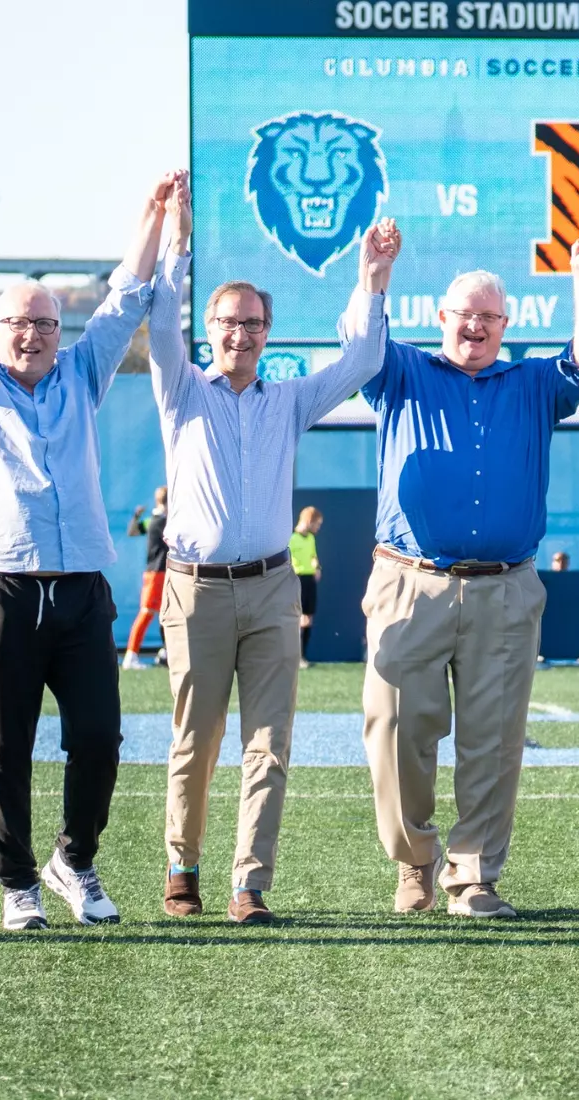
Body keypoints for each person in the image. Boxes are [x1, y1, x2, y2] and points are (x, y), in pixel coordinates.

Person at [0, 168, 170, 930]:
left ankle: (75, 860)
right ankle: (18, 883)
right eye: (17, 324)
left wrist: (154, 216)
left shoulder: (83, 376)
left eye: (45, 324)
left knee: (98, 737)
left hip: (82, 590)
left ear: (62, 333)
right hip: (0, 590)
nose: (32, 335)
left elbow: (125, 299)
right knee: (4, 749)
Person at [148, 174, 395, 924]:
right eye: (229, 322)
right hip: (195, 589)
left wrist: (372, 280)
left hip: (271, 589)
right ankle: (182, 870)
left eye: (254, 324)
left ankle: (248, 884)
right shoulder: (181, 390)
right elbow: (160, 322)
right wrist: (177, 239)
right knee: (196, 741)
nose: (241, 334)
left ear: (267, 333)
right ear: (209, 328)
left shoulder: (287, 400)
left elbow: (360, 364)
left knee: (269, 744)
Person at [355, 235, 579, 919]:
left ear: (505, 325)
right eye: (465, 314)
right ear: (441, 318)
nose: (476, 325)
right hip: (409, 581)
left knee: (493, 741)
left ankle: (473, 878)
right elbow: (360, 346)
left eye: (489, 317)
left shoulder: (532, 383)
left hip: (505, 587)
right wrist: (375, 277)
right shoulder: (402, 370)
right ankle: (414, 861)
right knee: (394, 728)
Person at [122, 487, 170, 670]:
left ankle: (166, 652)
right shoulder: (162, 521)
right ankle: (131, 655)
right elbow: (133, 532)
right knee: (147, 612)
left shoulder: (153, 520)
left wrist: (136, 516)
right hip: (157, 573)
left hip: (162, 573)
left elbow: (132, 531)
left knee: (167, 614)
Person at [290, 506, 323, 669]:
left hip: (310, 580)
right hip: (298, 579)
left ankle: (303, 656)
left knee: (308, 617)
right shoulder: (292, 538)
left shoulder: (310, 538)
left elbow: (313, 556)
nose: (318, 527)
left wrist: (317, 567)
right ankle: (294, 656)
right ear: (309, 521)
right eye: (317, 523)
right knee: (299, 618)